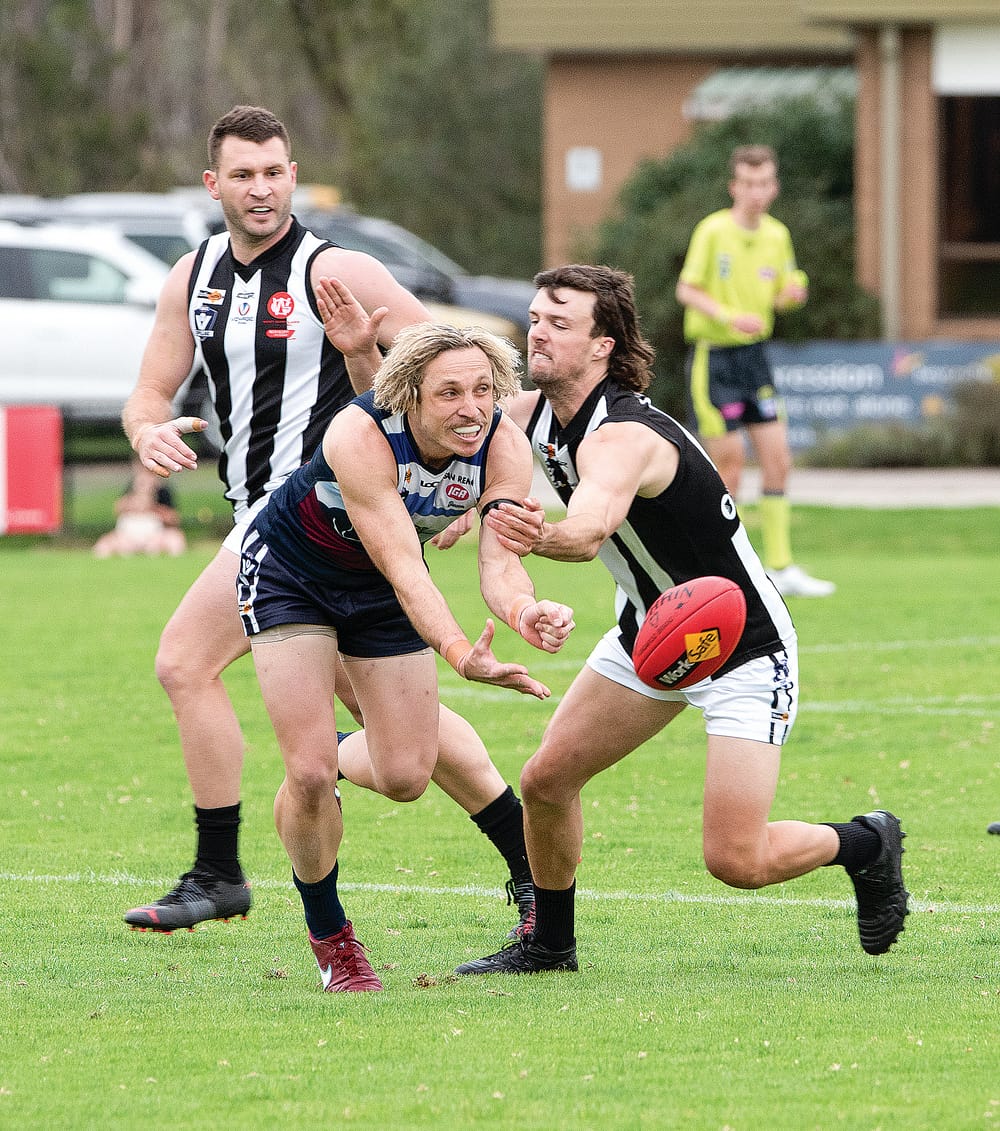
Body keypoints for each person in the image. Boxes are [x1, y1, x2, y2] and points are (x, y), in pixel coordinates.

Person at [120, 105, 538, 938]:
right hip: (273, 524)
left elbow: (454, 378)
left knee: (183, 663)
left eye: (274, 171)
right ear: (215, 185)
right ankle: (527, 866)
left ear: (293, 176)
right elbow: (148, 391)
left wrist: (472, 488)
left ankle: (218, 870)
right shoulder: (192, 277)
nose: (262, 188)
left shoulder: (335, 268)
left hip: (317, 512)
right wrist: (146, 430)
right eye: (243, 174)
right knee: (404, 746)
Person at [452, 264, 909, 977]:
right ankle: (550, 946)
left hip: (742, 646)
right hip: (653, 633)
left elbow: (585, 531)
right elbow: (456, 436)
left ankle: (866, 842)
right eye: (537, 316)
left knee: (736, 859)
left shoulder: (624, 436)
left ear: (602, 346)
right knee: (546, 781)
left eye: (559, 322)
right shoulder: (531, 416)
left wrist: (513, 525)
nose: (537, 330)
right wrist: (454, 495)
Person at [237, 321, 574, 990]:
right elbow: (405, 565)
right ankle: (333, 939)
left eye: (483, 389)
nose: (471, 408)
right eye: (449, 392)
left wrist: (523, 609)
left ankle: (328, 748)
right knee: (305, 777)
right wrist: (457, 651)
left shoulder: (504, 444)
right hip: (289, 577)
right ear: (410, 395)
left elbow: (501, 561)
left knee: (404, 775)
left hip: (376, 590)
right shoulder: (360, 436)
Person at [675, 143, 834, 599]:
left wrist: (792, 293)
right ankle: (722, 567)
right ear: (734, 187)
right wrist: (728, 316)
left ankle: (781, 566)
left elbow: (786, 286)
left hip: (755, 359)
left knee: (779, 460)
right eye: (748, 183)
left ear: (774, 186)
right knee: (728, 467)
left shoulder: (777, 235)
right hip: (715, 358)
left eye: (764, 182)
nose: (757, 192)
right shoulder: (713, 231)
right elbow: (687, 288)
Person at [92, 459, 187, 558]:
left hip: (155, 534)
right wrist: (136, 499)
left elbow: (174, 518)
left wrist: (152, 506)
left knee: (176, 540)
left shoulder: (163, 490)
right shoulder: (131, 487)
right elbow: (118, 509)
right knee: (104, 545)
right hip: (129, 533)